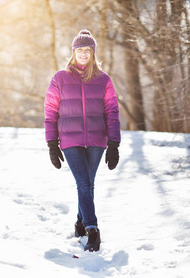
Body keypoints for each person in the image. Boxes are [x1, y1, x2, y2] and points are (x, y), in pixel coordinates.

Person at [44, 29, 120, 252]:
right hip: (70, 139)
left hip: (97, 139)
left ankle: (79, 221)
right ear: (73, 52)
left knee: (87, 183)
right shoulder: (60, 78)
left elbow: (112, 111)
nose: (84, 54)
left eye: (88, 50)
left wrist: (114, 143)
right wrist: (52, 143)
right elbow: (50, 112)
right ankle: (92, 228)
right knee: (84, 184)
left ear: (93, 53)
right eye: (80, 50)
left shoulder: (103, 80)